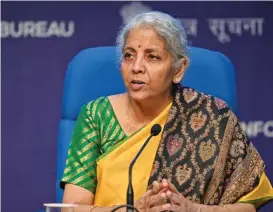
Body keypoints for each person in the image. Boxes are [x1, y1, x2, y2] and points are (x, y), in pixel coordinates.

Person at [60, 11, 273, 212]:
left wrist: (195, 209)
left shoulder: (213, 117)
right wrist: (133, 210)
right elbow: (72, 209)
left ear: (178, 70)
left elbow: (248, 207)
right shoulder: (96, 115)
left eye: (152, 57)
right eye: (129, 55)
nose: (136, 67)